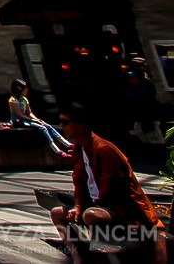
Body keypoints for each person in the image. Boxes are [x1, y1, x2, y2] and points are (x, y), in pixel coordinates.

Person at [49, 103, 167, 264]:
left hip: (121, 208)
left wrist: (84, 208)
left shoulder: (104, 150)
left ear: (82, 125)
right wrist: (77, 206)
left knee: (91, 215)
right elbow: (79, 181)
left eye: (66, 122)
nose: (62, 126)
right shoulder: (80, 148)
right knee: (57, 213)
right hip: (97, 204)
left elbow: (111, 190)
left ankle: (104, 255)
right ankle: (78, 259)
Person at [8, 78, 70, 158]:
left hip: (27, 120)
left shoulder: (25, 100)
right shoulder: (13, 100)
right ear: (19, 89)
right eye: (25, 89)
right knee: (42, 128)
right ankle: (56, 150)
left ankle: (67, 144)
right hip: (18, 121)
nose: (26, 90)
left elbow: (29, 113)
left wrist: (37, 120)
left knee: (48, 126)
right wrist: (34, 121)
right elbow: (19, 115)